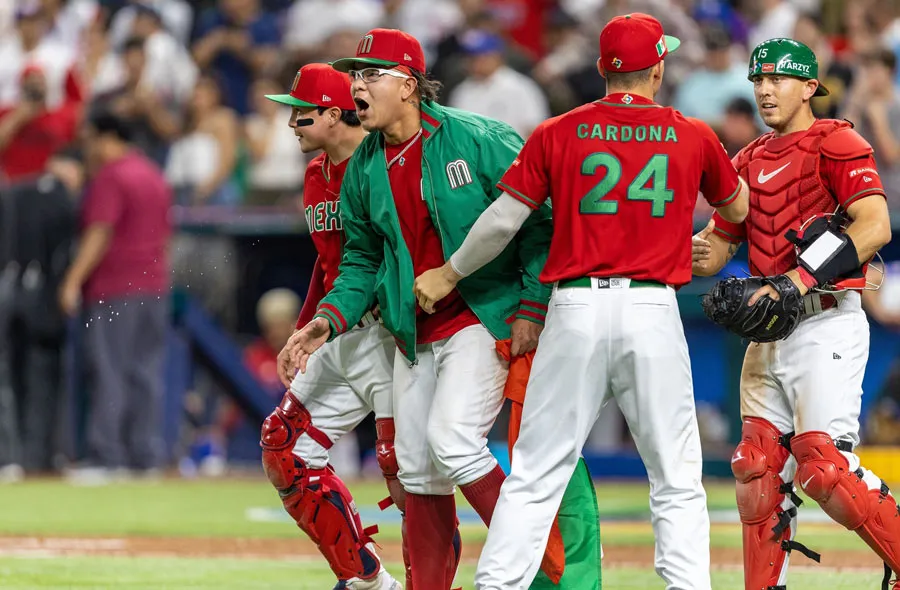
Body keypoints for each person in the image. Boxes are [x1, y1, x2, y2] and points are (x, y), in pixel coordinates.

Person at [413, 13, 750, 589]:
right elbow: (739, 208)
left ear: (601, 69)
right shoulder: (691, 132)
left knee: (537, 472)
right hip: (651, 308)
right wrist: (710, 242)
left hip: (575, 309)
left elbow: (503, 221)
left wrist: (448, 273)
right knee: (675, 476)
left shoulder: (558, 130)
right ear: (660, 68)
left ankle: (497, 585)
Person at [289, 28, 601, 590]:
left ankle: (543, 577)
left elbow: (540, 220)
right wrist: (324, 321)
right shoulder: (363, 167)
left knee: (454, 442)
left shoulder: (475, 137)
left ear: (408, 84)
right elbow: (360, 261)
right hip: (413, 330)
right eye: (354, 76)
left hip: (481, 315)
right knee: (417, 470)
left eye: (371, 75)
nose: (357, 86)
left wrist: (532, 305)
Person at [691, 38, 898, 590]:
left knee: (823, 465)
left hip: (825, 316)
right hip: (770, 327)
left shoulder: (839, 140)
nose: (764, 89)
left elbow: (875, 226)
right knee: (755, 465)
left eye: (778, 79)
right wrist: (679, 242)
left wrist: (797, 278)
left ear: (810, 87)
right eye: (757, 79)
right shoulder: (748, 157)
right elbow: (718, 244)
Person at [258, 63, 402, 590]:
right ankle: (365, 580)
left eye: (301, 113)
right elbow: (328, 262)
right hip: (341, 330)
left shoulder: (387, 162)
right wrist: (304, 330)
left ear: (334, 113)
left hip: (394, 334)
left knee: (404, 473)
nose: (291, 123)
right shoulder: (316, 173)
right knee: (283, 446)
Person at [60, 111, 171, 481]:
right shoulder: (153, 173)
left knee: (109, 371)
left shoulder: (111, 176)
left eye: (90, 139)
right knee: (145, 373)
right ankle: (144, 456)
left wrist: (72, 280)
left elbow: (100, 232)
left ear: (106, 138)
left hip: (115, 287)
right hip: (154, 286)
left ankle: (107, 456)